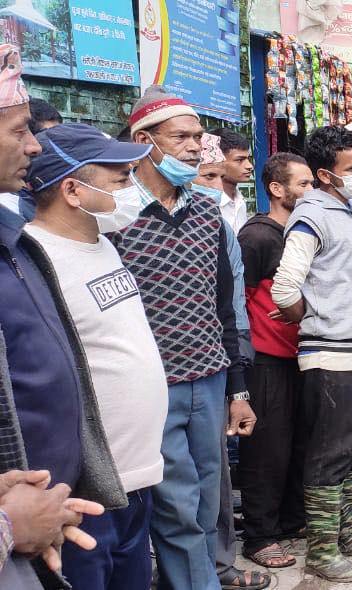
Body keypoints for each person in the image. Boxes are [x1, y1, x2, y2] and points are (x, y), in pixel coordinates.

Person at [111, 85, 254, 590]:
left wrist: (238, 389)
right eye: (181, 137)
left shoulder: (208, 212)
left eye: (198, 137)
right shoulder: (114, 215)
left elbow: (224, 306)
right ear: (145, 141)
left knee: (208, 495)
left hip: (210, 380)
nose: (195, 147)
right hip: (152, 385)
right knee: (176, 506)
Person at [22, 123, 169, 590]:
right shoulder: (35, 260)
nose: (132, 190)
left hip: (135, 473)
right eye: (122, 179)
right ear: (71, 189)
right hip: (86, 488)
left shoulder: (101, 243)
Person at [0, 53, 122, 585]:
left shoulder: (17, 248)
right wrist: (8, 524)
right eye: (19, 130)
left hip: (56, 516)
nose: (33, 145)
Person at [270, 125, 352, 582]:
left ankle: (350, 531)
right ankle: (322, 551)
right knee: (330, 453)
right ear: (326, 174)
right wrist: (311, 316)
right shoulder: (311, 217)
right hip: (328, 353)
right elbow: (285, 286)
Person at [195, 133, 268, 590]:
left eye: (215, 177)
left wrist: (237, 373)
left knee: (213, 469)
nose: (214, 186)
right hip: (172, 370)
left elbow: (228, 299)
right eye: (207, 176)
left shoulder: (223, 218)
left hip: (223, 346)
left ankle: (218, 565)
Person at [236, 153, 314, 570]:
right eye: (301, 185)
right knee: (266, 450)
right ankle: (260, 535)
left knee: (298, 442)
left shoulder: (304, 233)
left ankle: (290, 520)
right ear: (277, 189)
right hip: (265, 358)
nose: (309, 192)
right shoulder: (258, 237)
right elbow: (237, 300)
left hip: (299, 353)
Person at [208, 129, 253, 234]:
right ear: (218, 161)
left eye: (248, 159)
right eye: (239, 160)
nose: (249, 166)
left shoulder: (240, 200)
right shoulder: (208, 203)